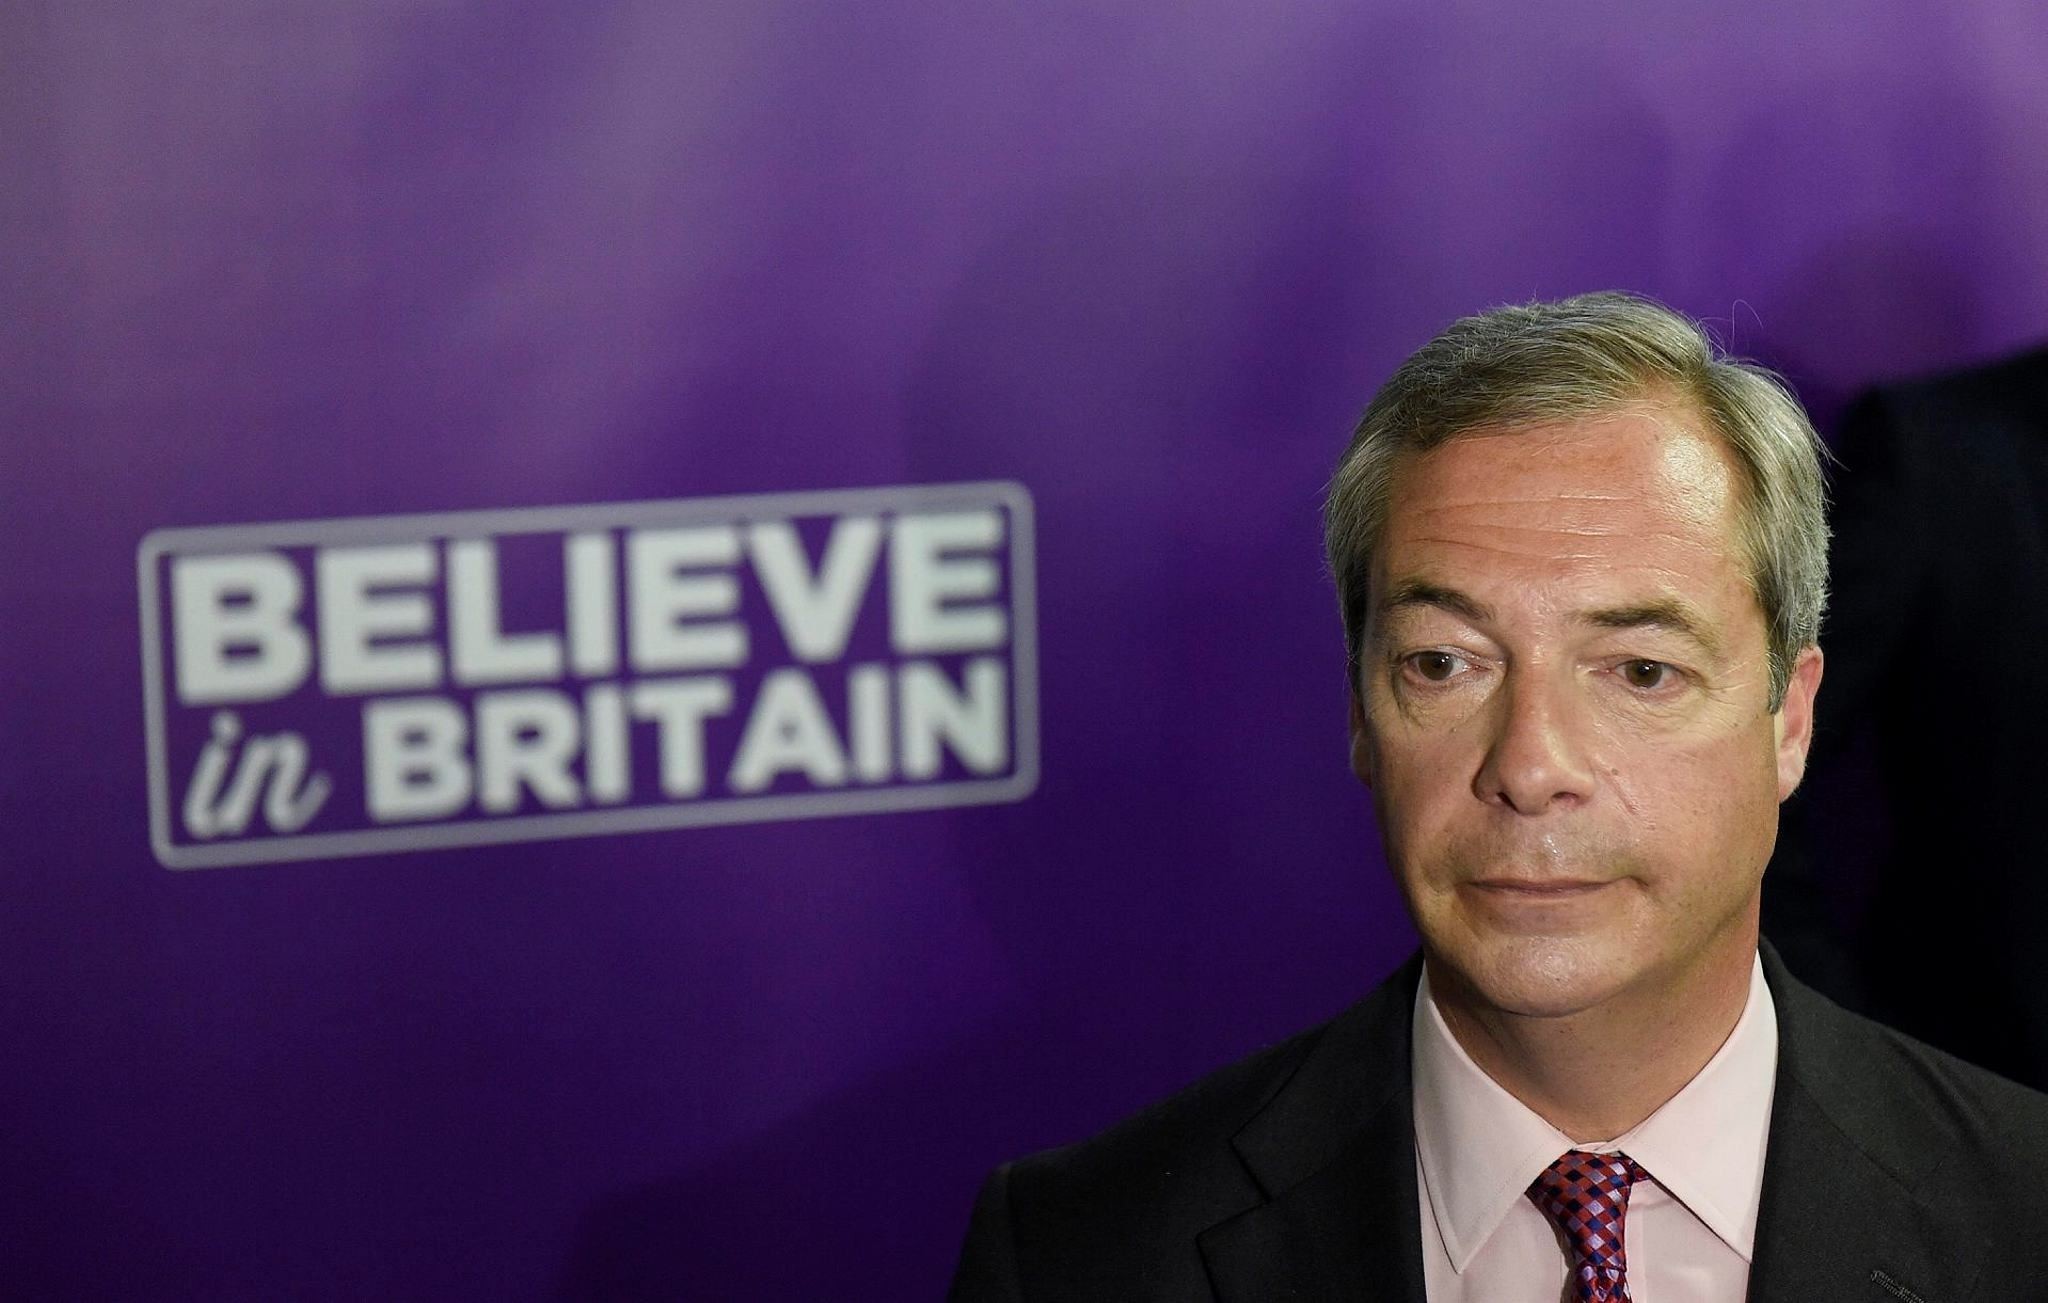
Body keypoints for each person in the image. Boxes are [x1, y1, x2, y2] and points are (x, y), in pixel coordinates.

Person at [947, 293, 2048, 1302]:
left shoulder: (2020, 1210)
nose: (1527, 765)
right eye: (1442, 662)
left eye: (1639, 671)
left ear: (1788, 720)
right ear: (1357, 712)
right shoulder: (1075, 1257)